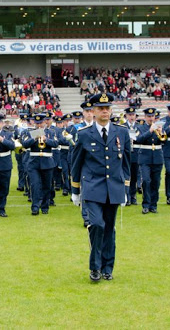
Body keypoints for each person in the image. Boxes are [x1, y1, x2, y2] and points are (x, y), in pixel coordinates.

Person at [70, 92, 131, 282]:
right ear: (93, 111)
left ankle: (107, 268)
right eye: (100, 109)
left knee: (109, 229)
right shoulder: (84, 134)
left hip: (114, 188)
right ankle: (95, 267)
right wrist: (75, 190)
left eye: (107, 108)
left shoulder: (121, 132)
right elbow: (76, 163)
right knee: (96, 225)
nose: (105, 111)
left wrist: (126, 189)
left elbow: (127, 163)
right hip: (92, 187)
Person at [21, 113, 59, 215]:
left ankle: (45, 206)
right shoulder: (30, 132)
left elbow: (56, 143)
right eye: (37, 123)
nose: (39, 125)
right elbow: (24, 144)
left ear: (44, 122)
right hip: (34, 162)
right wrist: (35, 138)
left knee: (47, 186)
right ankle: (35, 207)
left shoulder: (50, 132)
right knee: (35, 185)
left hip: (47, 161)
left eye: (41, 123)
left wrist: (46, 139)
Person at [136, 107, 166, 214]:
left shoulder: (160, 127)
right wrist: (150, 131)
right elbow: (138, 139)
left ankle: (154, 205)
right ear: (145, 117)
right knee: (146, 181)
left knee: (156, 182)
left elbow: (164, 140)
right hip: (145, 157)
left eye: (152, 116)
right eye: (148, 116)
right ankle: (146, 204)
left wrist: (161, 132)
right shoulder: (141, 127)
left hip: (157, 157)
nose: (151, 118)